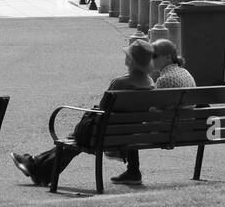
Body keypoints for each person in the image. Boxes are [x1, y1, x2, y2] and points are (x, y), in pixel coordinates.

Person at [12, 40, 155, 187]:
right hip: (131, 135)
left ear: (130, 60)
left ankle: (36, 166)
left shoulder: (120, 82)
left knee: (78, 136)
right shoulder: (150, 83)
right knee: (78, 137)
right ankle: (36, 165)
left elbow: (102, 110)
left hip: (105, 136)